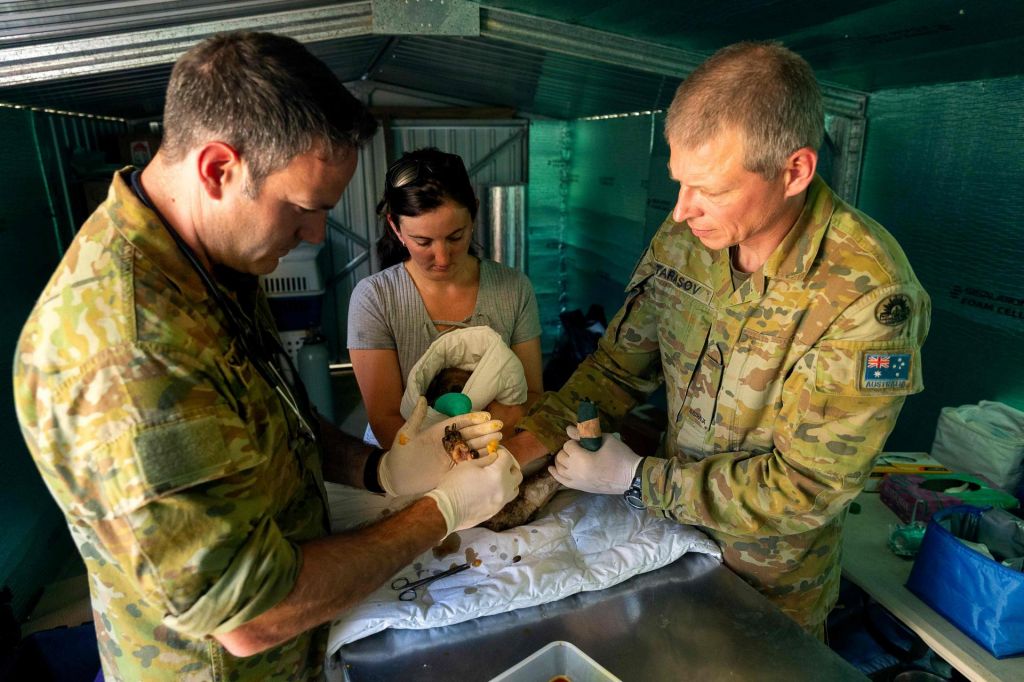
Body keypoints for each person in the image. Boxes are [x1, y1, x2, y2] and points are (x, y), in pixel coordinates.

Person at [13, 32, 521, 681]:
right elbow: (249, 618)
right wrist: (441, 510)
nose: (315, 235)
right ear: (219, 168)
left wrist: (382, 471)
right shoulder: (130, 356)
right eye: (305, 210)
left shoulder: (209, 263)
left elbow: (277, 416)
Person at [507, 41, 931, 636]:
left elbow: (807, 487)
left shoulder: (866, 295)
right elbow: (616, 371)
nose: (682, 211)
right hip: (664, 547)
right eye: (680, 182)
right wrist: (518, 456)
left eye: (711, 189)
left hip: (767, 592)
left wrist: (636, 480)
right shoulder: (692, 235)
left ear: (795, 171)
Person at [348, 147, 543, 448]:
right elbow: (386, 419)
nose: (442, 257)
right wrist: (449, 463)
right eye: (422, 241)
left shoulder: (512, 289)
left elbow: (530, 396)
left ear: (474, 214)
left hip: (494, 446)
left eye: (455, 236)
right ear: (396, 228)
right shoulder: (376, 299)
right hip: (405, 452)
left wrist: (491, 437)